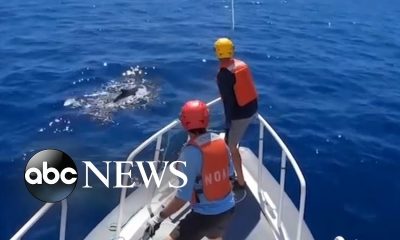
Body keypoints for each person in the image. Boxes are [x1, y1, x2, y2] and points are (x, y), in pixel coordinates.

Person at [146, 100, 235, 240]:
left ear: (184, 123)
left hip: (204, 216)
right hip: (228, 209)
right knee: (215, 235)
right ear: (206, 119)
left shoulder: (189, 153)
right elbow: (230, 177)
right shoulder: (220, 142)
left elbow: (182, 198)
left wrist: (158, 218)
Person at [214, 37, 258, 189]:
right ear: (232, 50)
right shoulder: (241, 65)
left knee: (232, 146)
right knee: (228, 142)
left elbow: (228, 102)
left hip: (241, 114)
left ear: (217, 53)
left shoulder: (224, 74)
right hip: (252, 107)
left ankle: (240, 181)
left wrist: (228, 124)